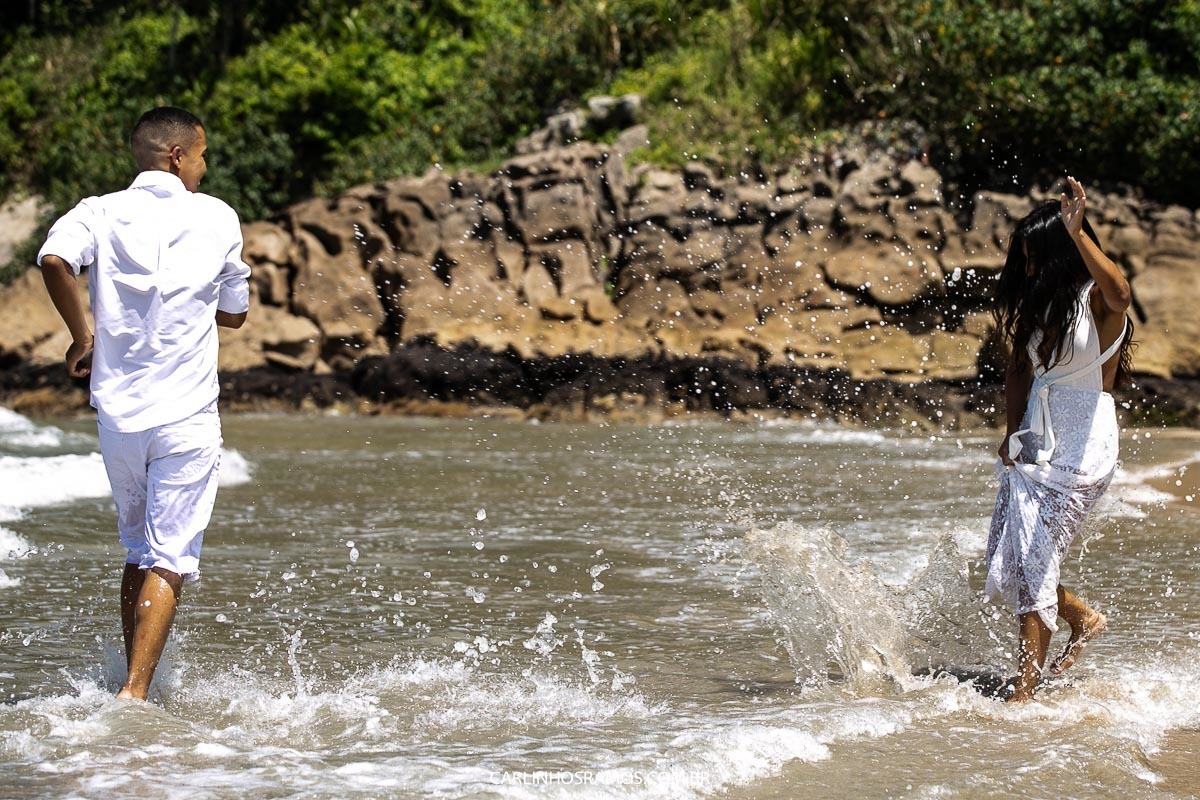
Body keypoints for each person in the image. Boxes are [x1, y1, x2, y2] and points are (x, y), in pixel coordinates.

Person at [38, 106, 250, 701]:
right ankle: (133, 694)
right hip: (186, 415)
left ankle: (128, 685)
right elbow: (234, 315)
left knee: (138, 549)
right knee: (170, 555)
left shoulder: (98, 210)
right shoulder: (216, 216)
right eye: (201, 155)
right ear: (177, 157)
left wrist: (82, 336)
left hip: (119, 417)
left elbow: (54, 260)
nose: (204, 167)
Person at [984, 176, 1133, 703]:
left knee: (1034, 563)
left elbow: (1122, 293)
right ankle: (1082, 617)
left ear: (1058, 255)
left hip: (1084, 447)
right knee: (1009, 563)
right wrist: (1011, 432)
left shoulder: (1096, 302)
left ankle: (1023, 692)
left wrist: (1077, 233)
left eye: (1034, 260)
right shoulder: (1038, 308)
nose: (1027, 270)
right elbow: (1018, 372)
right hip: (1036, 442)